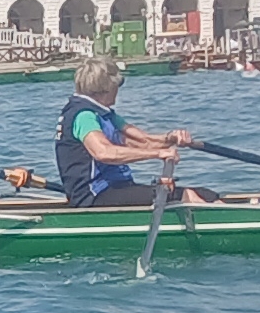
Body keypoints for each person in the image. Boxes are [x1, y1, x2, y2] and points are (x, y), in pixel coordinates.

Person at [53, 57, 196, 207]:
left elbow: (144, 141)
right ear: (107, 86)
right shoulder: (84, 116)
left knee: (203, 194)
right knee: (185, 196)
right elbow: (103, 152)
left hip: (116, 188)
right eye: (118, 84)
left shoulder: (104, 113)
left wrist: (171, 138)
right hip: (95, 195)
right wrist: (159, 153)